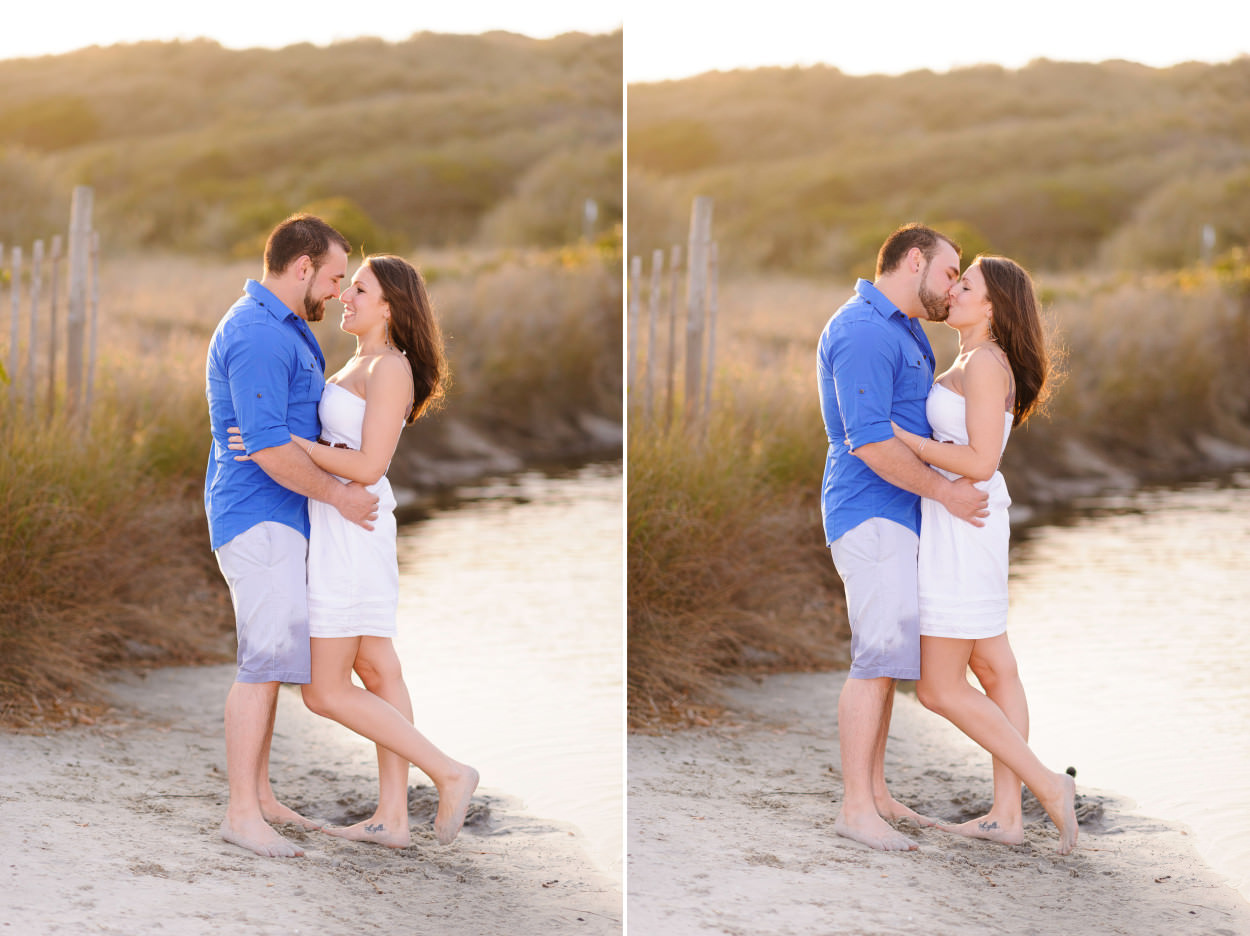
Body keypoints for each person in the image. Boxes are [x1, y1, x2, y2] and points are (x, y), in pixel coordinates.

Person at [229, 253, 479, 850]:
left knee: (324, 690)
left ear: (389, 305)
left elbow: (369, 465)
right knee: (376, 667)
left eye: (359, 289)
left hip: (353, 526)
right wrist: (278, 437)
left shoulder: (390, 367)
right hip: (340, 521)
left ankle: (448, 772)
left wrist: (286, 441)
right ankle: (392, 817)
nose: (346, 296)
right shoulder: (359, 362)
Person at [205, 214, 380, 859]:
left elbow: (283, 436)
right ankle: (241, 814)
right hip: (258, 515)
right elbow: (270, 449)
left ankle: (263, 797)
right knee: (261, 663)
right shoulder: (257, 334)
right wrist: (339, 495)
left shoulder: (285, 330)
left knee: (274, 658)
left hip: (282, 515)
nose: (338, 291)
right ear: (302, 267)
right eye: (335, 277)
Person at [891, 255, 1078, 854]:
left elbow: (979, 461)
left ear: (991, 305)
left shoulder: (988, 363)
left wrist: (904, 439)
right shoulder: (971, 360)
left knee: (939, 688)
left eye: (964, 284)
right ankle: (1007, 815)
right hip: (963, 521)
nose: (953, 289)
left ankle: (1046, 785)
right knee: (995, 669)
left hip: (965, 524)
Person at [818, 223, 990, 852]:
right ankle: (856, 809)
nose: (953, 285)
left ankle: (878, 793)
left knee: (887, 659)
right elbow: (868, 440)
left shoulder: (905, 327)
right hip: (870, 512)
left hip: (900, 514)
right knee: (874, 658)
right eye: (949, 271)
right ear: (913, 260)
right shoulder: (863, 329)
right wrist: (945, 491)